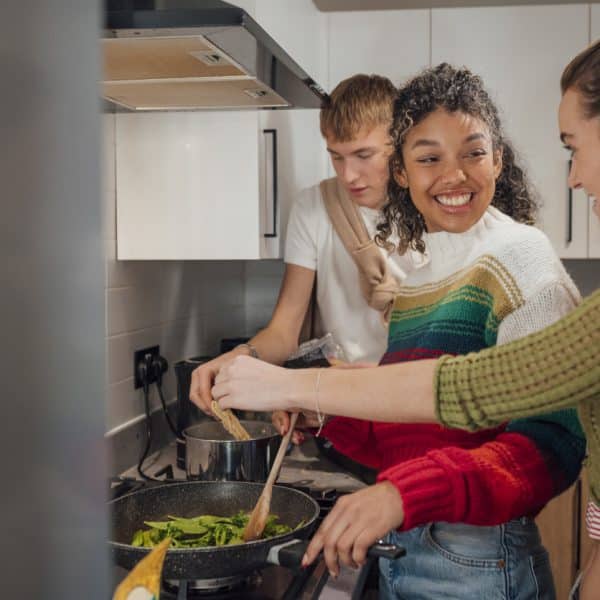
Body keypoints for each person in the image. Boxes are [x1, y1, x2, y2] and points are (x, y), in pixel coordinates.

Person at [211, 40, 600, 600]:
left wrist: (403, 493)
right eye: (428, 157)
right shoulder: (418, 273)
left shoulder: (522, 259)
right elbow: (413, 435)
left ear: (498, 159)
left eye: (473, 151)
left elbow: (550, 446)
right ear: (403, 172)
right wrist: (327, 416)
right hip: (407, 546)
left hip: (478, 562)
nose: (453, 175)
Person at [189, 74, 415, 434]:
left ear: (398, 142)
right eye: (336, 157)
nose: (349, 175)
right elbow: (284, 331)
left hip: (415, 405)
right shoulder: (313, 208)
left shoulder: (433, 208)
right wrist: (238, 358)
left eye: (363, 155)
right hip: (344, 410)